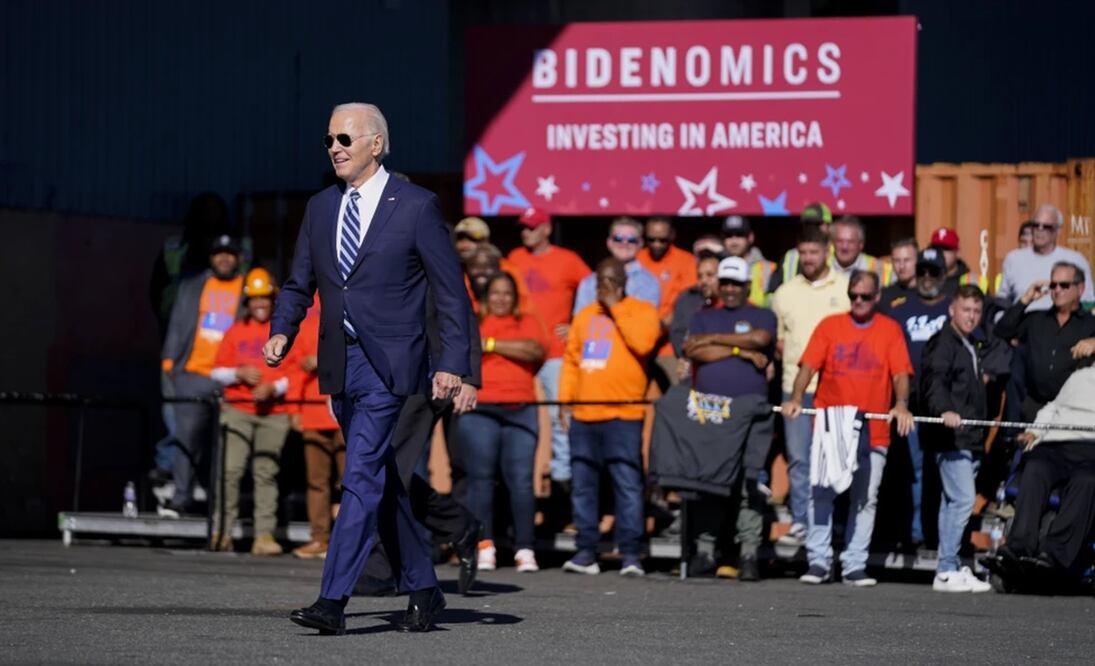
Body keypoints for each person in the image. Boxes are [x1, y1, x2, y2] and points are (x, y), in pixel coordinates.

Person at [264, 102, 470, 635]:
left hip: (392, 364)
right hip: (339, 362)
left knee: (358, 474)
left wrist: (455, 364)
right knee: (382, 479)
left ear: (376, 144)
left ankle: (333, 600)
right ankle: (425, 588)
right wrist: (283, 329)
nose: (334, 147)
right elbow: (298, 283)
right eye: (329, 139)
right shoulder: (320, 207)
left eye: (345, 139)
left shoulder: (417, 206)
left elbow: (452, 294)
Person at [783, 270, 914, 587]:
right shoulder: (830, 326)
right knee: (821, 494)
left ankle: (855, 564)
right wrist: (797, 397)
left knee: (864, 499)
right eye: (853, 295)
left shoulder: (890, 330)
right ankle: (818, 561)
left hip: (874, 428)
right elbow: (808, 366)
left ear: (877, 297)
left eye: (865, 296)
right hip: (831, 424)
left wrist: (901, 404)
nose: (858, 301)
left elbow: (900, 374)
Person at [560, 259, 661, 577]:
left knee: (627, 484)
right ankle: (586, 551)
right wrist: (565, 402)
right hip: (585, 413)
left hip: (623, 413)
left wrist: (616, 307)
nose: (604, 286)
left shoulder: (642, 310)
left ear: (622, 282)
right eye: (600, 280)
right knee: (584, 485)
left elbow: (643, 343)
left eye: (610, 280)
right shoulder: (585, 315)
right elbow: (572, 360)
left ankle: (631, 553)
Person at [682, 256, 776, 580]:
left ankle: (749, 553)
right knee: (709, 480)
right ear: (718, 285)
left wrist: (717, 341)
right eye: (726, 283)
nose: (731, 289)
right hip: (711, 409)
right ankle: (705, 552)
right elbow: (694, 350)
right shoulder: (702, 316)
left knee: (750, 479)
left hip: (752, 410)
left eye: (737, 283)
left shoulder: (763, 314)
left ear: (748, 285)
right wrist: (740, 350)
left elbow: (760, 339)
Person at [451, 272, 546, 573]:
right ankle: (484, 545)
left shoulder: (527, 321)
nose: (501, 299)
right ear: (485, 297)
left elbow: (533, 350)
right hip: (481, 408)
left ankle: (525, 547)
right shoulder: (473, 321)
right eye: (495, 293)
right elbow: (462, 353)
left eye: (507, 293)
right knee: (480, 479)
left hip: (521, 407)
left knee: (520, 480)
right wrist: (497, 345)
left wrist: (489, 344)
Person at [769, 227, 850, 546]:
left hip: (836, 388)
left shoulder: (845, 289)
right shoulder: (785, 293)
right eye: (802, 253)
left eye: (813, 253)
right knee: (799, 458)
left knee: (835, 460)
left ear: (827, 252)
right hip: (795, 388)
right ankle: (802, 521)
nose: (807, 259)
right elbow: (779, 342)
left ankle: (835, 524)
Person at [209, 268, 296, 556]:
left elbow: (293, 374)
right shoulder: (235, 331)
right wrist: (239, 373)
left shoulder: (284, 330)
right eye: (254, 299)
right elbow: (217, 372)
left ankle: (264, 536)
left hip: (274, 412)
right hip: (238, 409)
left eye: (265, 298)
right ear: (247, 302)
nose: (260, 304)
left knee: (266, 473)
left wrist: (274, 389)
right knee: (230, 471)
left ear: (273, 299)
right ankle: (222, 531)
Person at [985, 363, 1095, 588]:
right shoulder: (1079, 376)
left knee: (1087, 480)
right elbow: (1052, 407)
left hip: (1091, 447)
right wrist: (1034, 431)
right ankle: (1018, 546)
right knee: (1035, 465)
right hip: (1057, 442)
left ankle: (1055, 554)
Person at [506, 207, 591, 497]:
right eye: (523, 227)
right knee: (523, 416)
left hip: (556, 353)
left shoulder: (567, 260)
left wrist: (578, 324)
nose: (525, 232)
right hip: (522, 352)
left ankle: (562, 481)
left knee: (558, 418)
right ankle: (527, 482)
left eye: (531, 227)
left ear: (546, 229)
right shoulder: (515, 258)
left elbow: (594, 289)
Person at [159, 234, 245, 517]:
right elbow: (176, 324)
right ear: (211, 258)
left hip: (233, 377)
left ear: (238, 258)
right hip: (193, 374)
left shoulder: (247, 291)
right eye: (219, 253)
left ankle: (220, 505)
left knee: (227, 446)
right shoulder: (193, 286)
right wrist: (170, 363)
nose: (224, 258)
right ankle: (182, 496)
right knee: (186, 440)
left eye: (230, 253)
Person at [919, 285, 993, 592]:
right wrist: (945, 409)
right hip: (951, 438)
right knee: (963, 500)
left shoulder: (969, 343)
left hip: (969, 438)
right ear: (952, 309)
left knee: (952, 503)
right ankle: (946, 568)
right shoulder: (944, 343)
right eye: (966, 310)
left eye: (977, 311)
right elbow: (935, 380)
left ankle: (948, 566)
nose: (971, 316)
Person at [881, 248, 953, 549]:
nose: (926, 278)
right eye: (921, 271)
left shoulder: (954, 308)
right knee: (912, 468)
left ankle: (941, 535)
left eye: (932, 272)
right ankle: (914, 533)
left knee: (944, 469)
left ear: (943, 275)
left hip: (946, 404)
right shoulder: (898, 308)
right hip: (909, 401)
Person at [994, 262, 1095, 420]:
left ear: (1080, 289)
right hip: (1033, 409)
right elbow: (1002, 331)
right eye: (1053, 285)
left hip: (1072, 411)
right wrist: (1025, 300)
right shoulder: (1036, 319)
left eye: (1064, 285)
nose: (1057, 290)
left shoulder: (1090, 323)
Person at [289, 298, 346, 560]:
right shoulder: (307, 325)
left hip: (346, 411)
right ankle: (320, 538)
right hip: (313, 411)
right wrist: (294, 410)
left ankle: (350, 541)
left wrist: (322, 360)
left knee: (352, 481)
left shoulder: (352, 317)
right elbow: (295, 370)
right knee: (317, 482)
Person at [637, 216, 696, 389]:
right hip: (638, 343)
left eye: (662, 240)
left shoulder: (686, 261)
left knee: (676, 394)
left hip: (669, 347)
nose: (656, 244)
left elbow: (686, 304)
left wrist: (659, 327)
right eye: (651, 239)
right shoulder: (636, 260)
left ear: (672, 236)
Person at [997, 204, 1094, 309]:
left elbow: (1087, 301)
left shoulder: (1075, 260)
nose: (1039, 229)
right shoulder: (1013, 259)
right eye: (1036, 225)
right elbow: (1002, 300)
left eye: (1046, 226)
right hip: (1022, 323)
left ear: (1058, 231)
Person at [573, 216, 660, 314]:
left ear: (640, 244)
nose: (624, 243)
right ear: (609, 243)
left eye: (632, 240)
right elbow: (581, 322)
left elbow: (646, 323)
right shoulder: (589, 283)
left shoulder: (649, 282)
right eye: (618, 238)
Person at [669, 251, 723, 383]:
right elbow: (678, 332)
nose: (704, 281)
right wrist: (685, 355)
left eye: (710, 275)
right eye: (700, 276)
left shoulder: (732, 303)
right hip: (692, 367)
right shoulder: (687, 299)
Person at [768, 202, 833, 293]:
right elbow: (774, 292)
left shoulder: (840, 253)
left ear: (829, 226)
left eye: (817, 224)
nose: (812, 229)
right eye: (807, 224)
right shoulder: (790, 256)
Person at [722, 215, 776, 307]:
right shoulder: (717, 266)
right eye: (729, 235)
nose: (734, 241)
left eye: (739, 235)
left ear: (750, 237)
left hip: (759, 319)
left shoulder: (769, 268)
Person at [928, 227, 987, 295]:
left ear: (958, 252)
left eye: (946, 248)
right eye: (936, 248)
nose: (940, 252)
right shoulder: (923, 279)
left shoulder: (974, 282)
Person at [828, 216, 883, 281]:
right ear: (832, 242)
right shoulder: (822, 265)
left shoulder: (878, 268)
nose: (844, 247)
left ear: (861, 244)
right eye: (840, 241)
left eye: (850, 242)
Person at [880, 238, 918, 308]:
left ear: (918, 260)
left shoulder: (930, 292)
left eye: (907, 260)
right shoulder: (884, 296)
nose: (902, 266)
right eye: (897, 261)